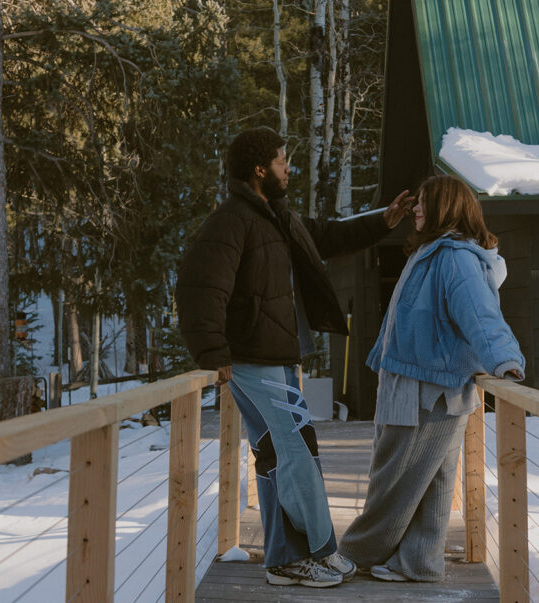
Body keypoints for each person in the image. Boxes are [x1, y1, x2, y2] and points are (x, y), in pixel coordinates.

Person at [175, 127, 414, 588]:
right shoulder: (232, 220)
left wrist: (384, 220)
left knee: (275, 455)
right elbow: (198, 287)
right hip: (252, 358)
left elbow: (323, 236)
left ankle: (286, 559)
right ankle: (316, 551)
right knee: (298, 449)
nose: (290, 169)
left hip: (276, 355)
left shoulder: (274, 216)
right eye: (283, 161)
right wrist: (212, 352)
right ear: (260, 169)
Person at [338, 174, 525, 583]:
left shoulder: (454, 258)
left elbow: (481, 316)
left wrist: (505, 360)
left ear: (445, 207)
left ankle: (354, 553)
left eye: (423, 202)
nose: (415, 209)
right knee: (432, 480)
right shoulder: (434, 252)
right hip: (423, 382)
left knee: (396, 478)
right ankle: (418, 562)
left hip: (427, 389)